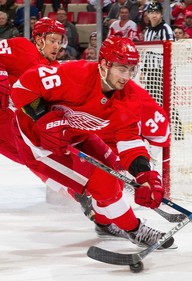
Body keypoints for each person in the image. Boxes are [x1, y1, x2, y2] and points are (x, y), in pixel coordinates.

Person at [11, 35, 174, 249]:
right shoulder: (74, 74)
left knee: (115, 171)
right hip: (40, 144)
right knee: (104, 184)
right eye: (122, 69)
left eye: (131, 70)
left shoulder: (130, 98)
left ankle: (104, 222)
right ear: (105, 64)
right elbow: (22, 87)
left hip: (76, 135)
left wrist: (145, 175)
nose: (127, 76)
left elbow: (130, 141)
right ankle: (135, 230)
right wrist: (42, 117)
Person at [0, 17, 65, 165]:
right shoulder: (22, 46)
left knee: (31, 158)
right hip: (4, 110)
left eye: (59, 42)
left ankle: (64, 187)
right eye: (52, 41)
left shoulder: (55, 68)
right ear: (39, 39)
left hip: (9, 121)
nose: (57, 46)